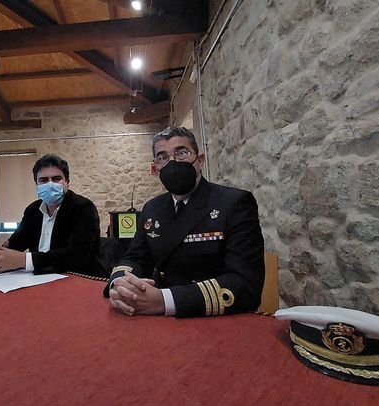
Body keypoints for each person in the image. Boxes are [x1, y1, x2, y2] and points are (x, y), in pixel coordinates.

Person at [104, 126, 264, 317]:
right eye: (162, 157)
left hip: (212, 317)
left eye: (181, 153)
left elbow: (245, 284)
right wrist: (120, 284)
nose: (172, 162)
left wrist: (164, 301)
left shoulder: (234, 203)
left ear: (200, 160)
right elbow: (135, 258)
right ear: (155, 168)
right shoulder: (152, 208)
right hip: (160, 319)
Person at [0, 154, 101, 275]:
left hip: (75, 277)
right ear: (37, 185)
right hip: (38, 278)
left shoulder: (83, 208)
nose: (50, 184)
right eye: (43, 180)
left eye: (56, 179)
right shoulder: (33, 210)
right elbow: (18, 241)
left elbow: (77, 256)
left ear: (67, 182)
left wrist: (24, 260)